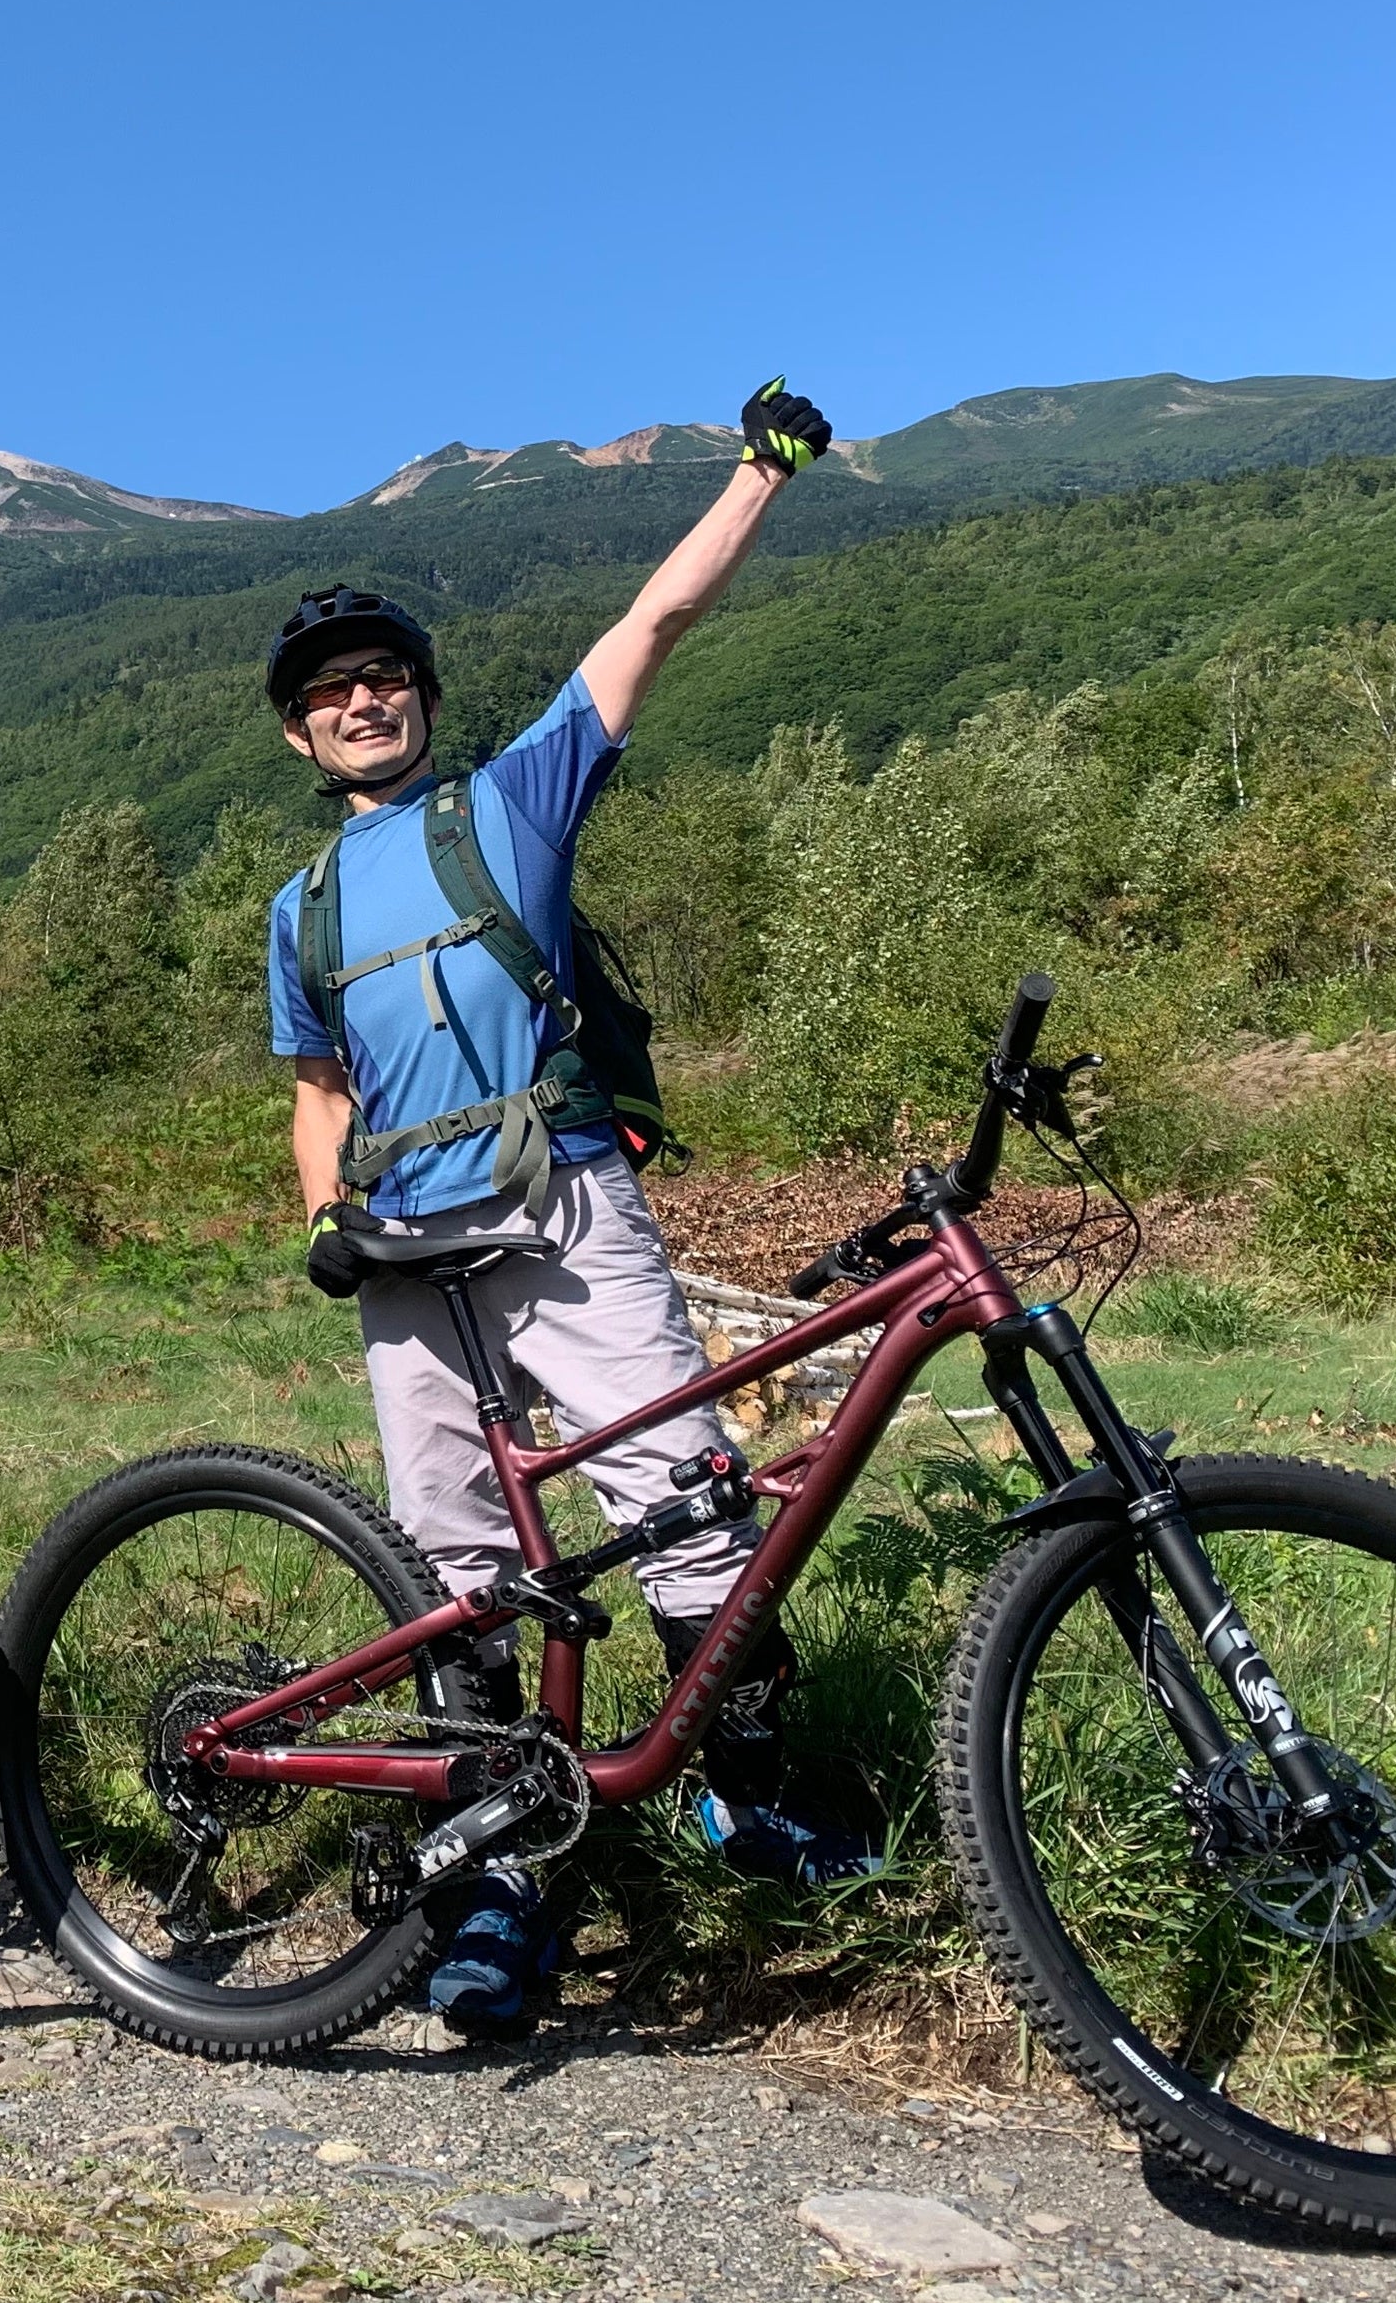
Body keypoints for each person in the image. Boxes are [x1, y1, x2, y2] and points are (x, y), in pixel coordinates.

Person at [263, 377, 871, 2042]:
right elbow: (320, 1092)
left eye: (383, 676)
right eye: (329, 693)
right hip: (410, 1254)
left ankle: (739, 1787)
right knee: (465, 1570)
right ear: (299, 737)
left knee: (682, 1500)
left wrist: (758, 475)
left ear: (426, 699)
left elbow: (653, 621)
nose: (361, 699)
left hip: (564, 1204)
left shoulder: (515, 796)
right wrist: (325, 1218)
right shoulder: (298, 902)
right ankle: (497, 1893)